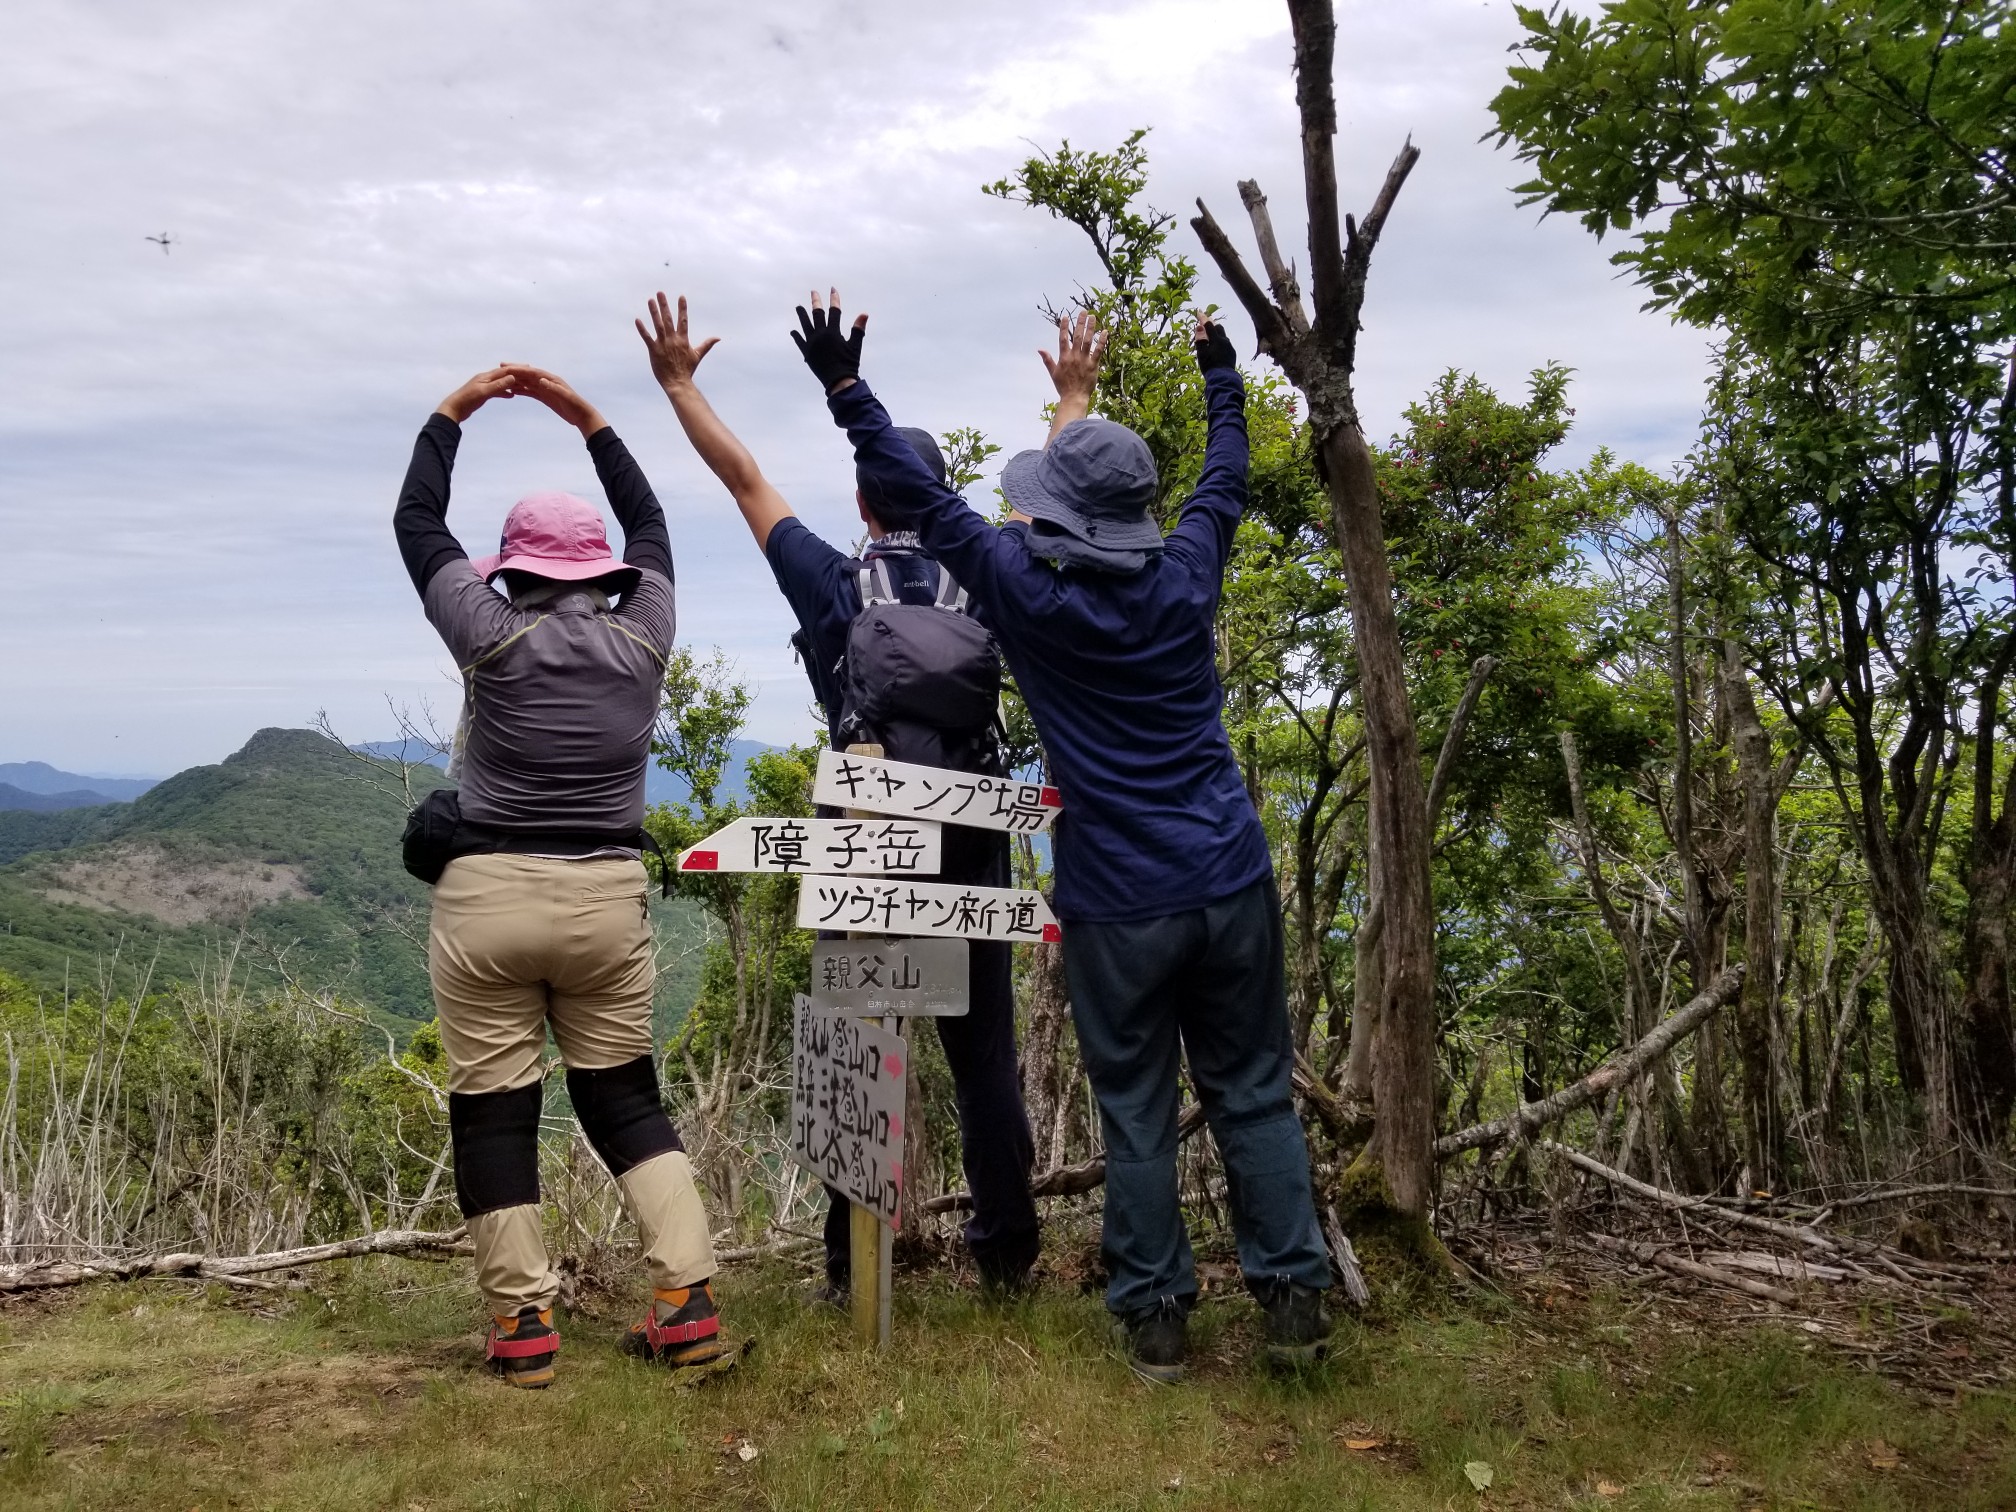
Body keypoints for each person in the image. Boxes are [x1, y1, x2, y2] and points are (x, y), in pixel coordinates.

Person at [789, 293, 1333, 1384]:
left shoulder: (1023, 589)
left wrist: (847, 391)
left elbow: (921, 499)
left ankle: (1157, 1320)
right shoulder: (1187, 571)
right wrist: (1223, 378)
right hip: (1228, 874)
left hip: (1119, 901)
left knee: (1135, 1105)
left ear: (1056, 518)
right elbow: (1225, 477)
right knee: (1252, 1091)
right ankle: (1294, 1305)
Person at [633, 293, 1041, 1297]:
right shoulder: (989, 579)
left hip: (862, 841)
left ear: (864, 503)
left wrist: (680, 385)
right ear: (940, 498)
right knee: (984, 1059)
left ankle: (849, 1272)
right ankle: (1007, 1260)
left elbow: (743, 479)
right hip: (972, 846)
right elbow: (1039, 503)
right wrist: (1072, 393)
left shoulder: (831, 583)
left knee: (854, 1049)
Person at [394, 363, 733, 1386]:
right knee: (626, 1099)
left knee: (495, 1110)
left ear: (514, 573)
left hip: (489, 901)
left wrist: (454, 410)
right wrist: (587, 416)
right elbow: (653, 524)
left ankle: (524, 1328)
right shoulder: (646, 635)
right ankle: (685, 1303)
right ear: (602, 573)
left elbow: (417, 523)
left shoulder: (491, 634)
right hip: (605, 903)